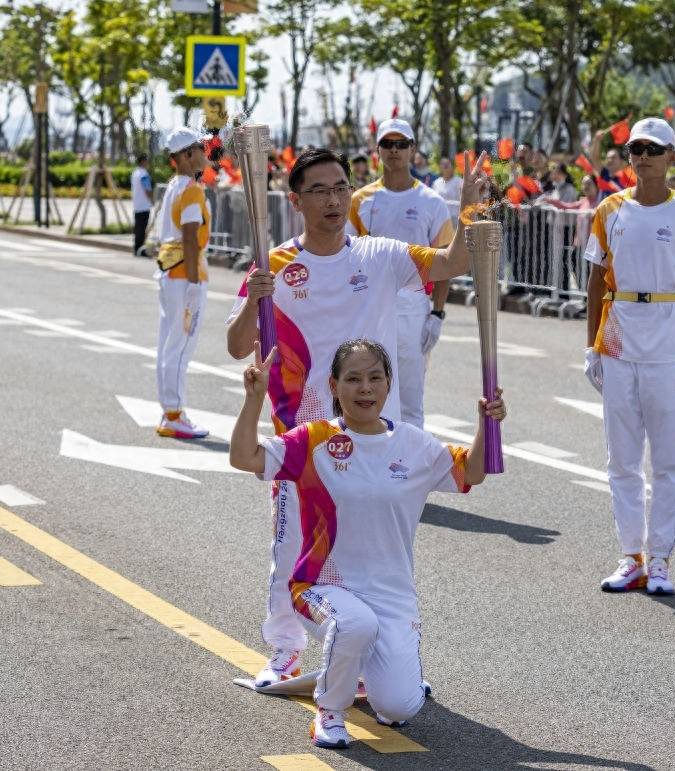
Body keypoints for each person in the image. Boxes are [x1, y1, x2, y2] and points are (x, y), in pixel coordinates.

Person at [226, 146, 490, 690]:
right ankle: (285, 650)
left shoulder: (380, 255)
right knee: (292, 545)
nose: (333, 199)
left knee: (377, 552)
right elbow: (236, 347)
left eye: (341, 187)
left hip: (376, 437)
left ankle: (377, 657)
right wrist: (254, 300)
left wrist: (465, 211)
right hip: (305, 431)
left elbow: (452, 264)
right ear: (296, 201)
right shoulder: (275, 265)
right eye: (319, 190)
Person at [230, 338, 506, 748]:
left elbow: (475, 472)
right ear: (334, 386)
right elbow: (244, 457)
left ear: (388, 384)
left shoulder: (413, 445)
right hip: (321, 587)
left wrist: (489, 422)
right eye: (353, 379)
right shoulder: (314, 440)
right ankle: (330, 709)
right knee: (355, 624)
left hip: (392, 597)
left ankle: (362, 668)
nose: (365, 389)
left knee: (399, 707)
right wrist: (254, 399)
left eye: (375, 378)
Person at [583, 117, 675, 595]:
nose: (643, 157)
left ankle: (660, 559)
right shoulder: (610, 209)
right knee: (621, 456)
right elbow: (596, 280)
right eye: (636, 149)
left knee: (667, 458)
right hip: (618, 339)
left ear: (671, 157)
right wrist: (590, 345)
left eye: (653, 150)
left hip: (668, 341)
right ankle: (631, 555)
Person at [347, 119, 455, 428]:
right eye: (388, 144)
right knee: (367, 392)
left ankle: (410, 470)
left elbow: (444, 260)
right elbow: (346, 255)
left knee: (409, 396)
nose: (394, 151)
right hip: (368, 304)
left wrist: (437, 314)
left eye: (401, 144)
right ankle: (374, 463)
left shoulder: (431, 202)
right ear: (377, 150)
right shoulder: (360, 200)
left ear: (412, 149)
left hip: (412, 305)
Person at [154, 127, 211, 439]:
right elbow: (190, 236)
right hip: (184, 274)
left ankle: (169, 410)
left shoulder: (174, 186)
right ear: (187, 155)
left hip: (169, 273)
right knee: (180, 345)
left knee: (168, 344)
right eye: (200, 148)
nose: (205, 153)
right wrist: (192, 284)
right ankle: (174, 414)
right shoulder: (191, 189)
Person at [131, 153, 153, 256]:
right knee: (142, 228)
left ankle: (136, 248)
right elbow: (147, 189)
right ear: (143, 161)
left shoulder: (135, 173)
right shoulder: (144, 174)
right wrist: (151, 199)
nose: (148, 163)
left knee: (138, 227)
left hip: (137, 204)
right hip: (144, 205)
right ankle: (140, 249)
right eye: (147, 161)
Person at [431, 155, 463, 223]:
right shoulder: (436, 183)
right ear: (440, 167)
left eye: (447, 164)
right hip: (439, 218)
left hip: (455, 218)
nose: (445, 166)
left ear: (453, 167)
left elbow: (464, 200)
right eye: (443, 164)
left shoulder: (459, 182)